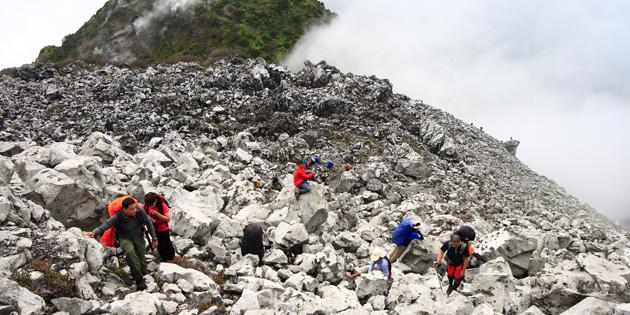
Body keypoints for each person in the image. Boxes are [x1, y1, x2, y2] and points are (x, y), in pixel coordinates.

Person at [84, 197, 157, 290]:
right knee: (130, 252)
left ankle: (143, 272)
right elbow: (106, 225)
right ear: (124, 209)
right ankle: (139, 280)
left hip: (138, 237)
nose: (135, 210)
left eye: (135, 208)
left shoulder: (139, 211)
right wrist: (94, 232)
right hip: (125, 239)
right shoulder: (118, 217)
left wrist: (154, 238)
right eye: (131, 209)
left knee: (142, 257)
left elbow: (148, 222)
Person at [144, 192, 176, 263]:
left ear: (155, 201)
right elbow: (142, 212)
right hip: (153, 228)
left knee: (166, 242)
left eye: (151, 205)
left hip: (163, 227)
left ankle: (172, 257)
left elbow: (168, 219)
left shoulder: (162, 205)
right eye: (148, 205)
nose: (150, 206)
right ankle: (164, 259)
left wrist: (157, 214)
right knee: (159, 244)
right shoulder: (146, 206)